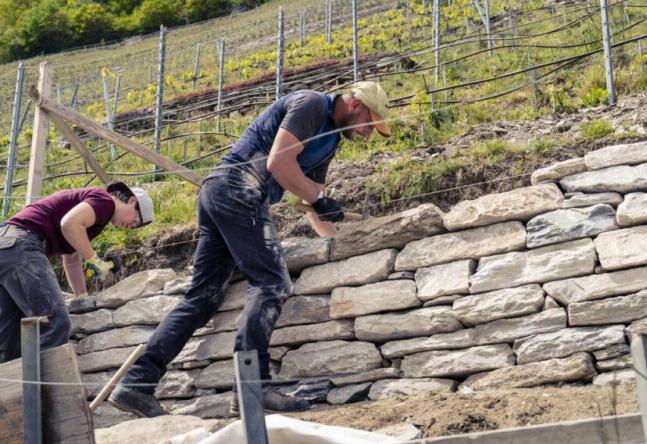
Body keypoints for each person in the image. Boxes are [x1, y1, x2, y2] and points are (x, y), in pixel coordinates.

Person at [109, 81, 391, 417]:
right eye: (370, 125)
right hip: (237, 187)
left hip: (225, 193)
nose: (368, 134)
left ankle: (137, 384)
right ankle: (251, 388)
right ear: (356, 104)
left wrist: (337, 242)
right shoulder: (312, 104)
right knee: (271, 282)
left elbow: (312, 198)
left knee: (204, 297)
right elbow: (278, 163)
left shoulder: (329, 142)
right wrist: (319, 200)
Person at [0, 180, 154, 363]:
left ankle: (9, 389)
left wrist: (81, 296)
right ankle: (46, 388)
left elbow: (71, 257)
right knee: (55, 322)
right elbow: (69, 224)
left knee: (8, 336)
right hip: (20, 245)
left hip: (6, 247)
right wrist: (93, 259)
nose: (130, 227)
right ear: (132, 202)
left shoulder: (92, 214)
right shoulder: (105, 201)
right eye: (135, 221)